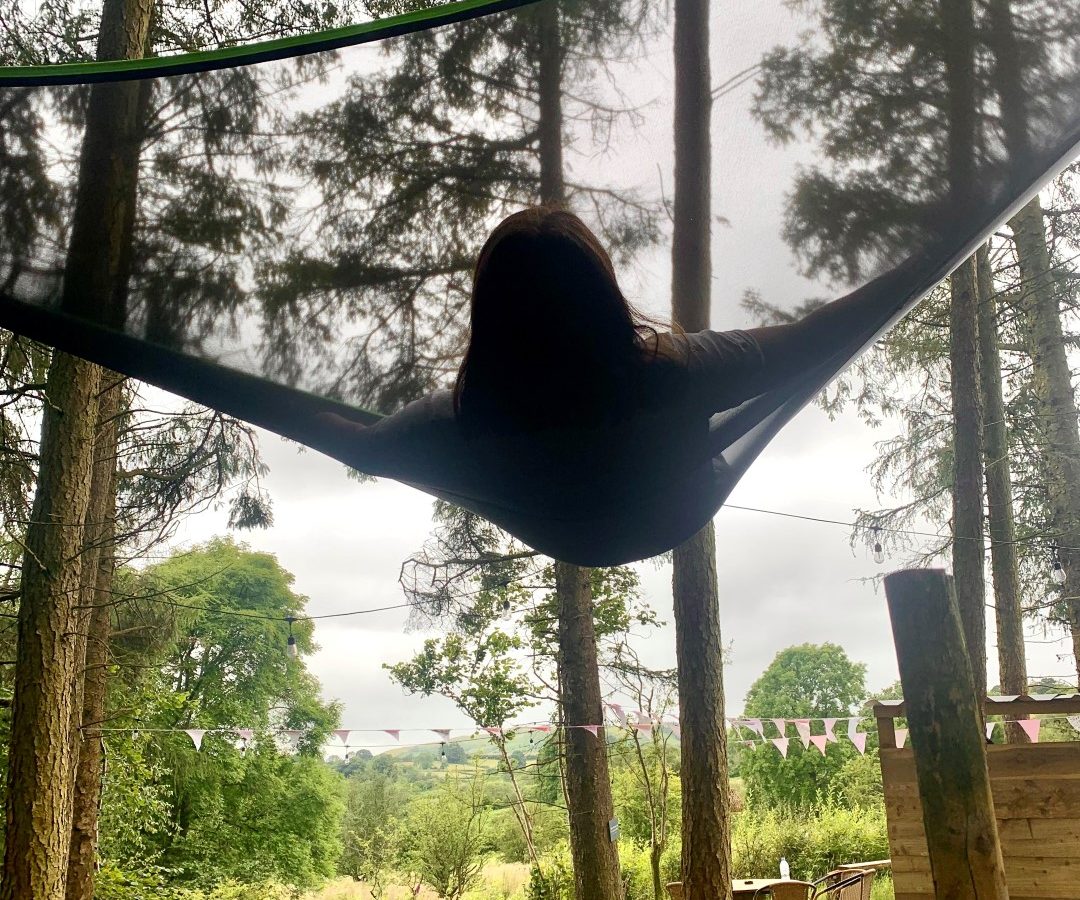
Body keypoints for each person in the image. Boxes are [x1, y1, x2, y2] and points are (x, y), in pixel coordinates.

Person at [311, 206, 913, 566]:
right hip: (671, 514)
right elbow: (813, 336)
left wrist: (234, 386)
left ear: (490, 315)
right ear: (603, 294)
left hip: (566, 532)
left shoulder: (455, 421)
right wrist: (919, 261)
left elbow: (360, 446)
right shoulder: (679, 371)